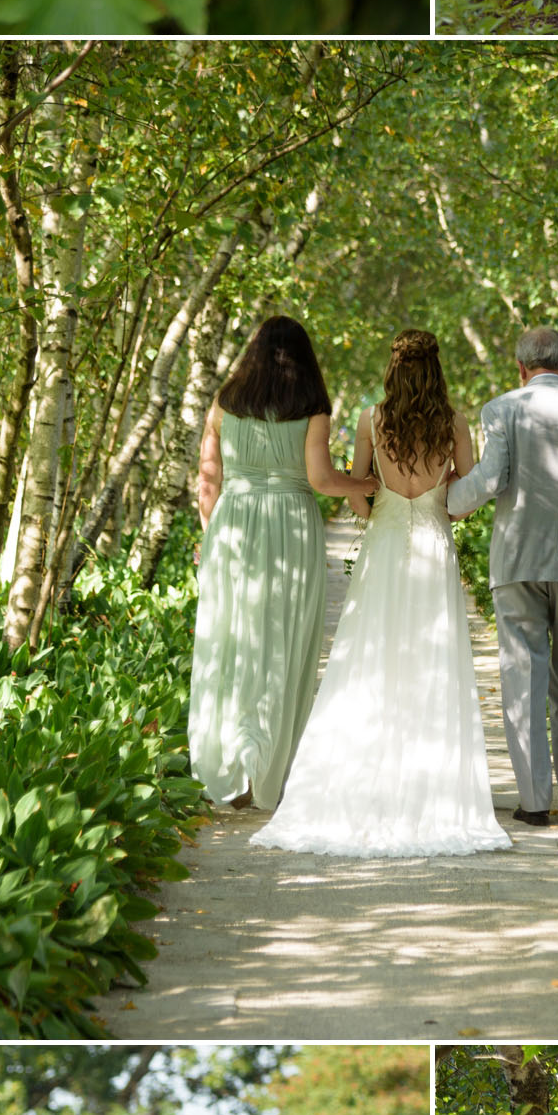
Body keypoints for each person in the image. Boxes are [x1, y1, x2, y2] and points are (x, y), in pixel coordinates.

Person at [253, 331, 509, 855]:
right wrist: (441, 511)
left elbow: (358, 493)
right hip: (435, 547)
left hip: (387, 545)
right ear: (436, 368)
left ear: (392, 367)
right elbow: (465, 491)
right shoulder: (455, 422)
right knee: (432, 664)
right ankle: (431, 786)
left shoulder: (372, 419)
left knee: (373, 659)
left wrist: (382, 512)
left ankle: (365, 775)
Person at [446, 322, 558, 825]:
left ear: (521, 369)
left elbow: (490, 478)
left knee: (522, 675)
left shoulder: (501, 409)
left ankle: (532, 802)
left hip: (519, 560)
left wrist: (440, 501)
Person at [188, 315, 361, 819]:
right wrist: (365, 485)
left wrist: (213, 535)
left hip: (233, 526)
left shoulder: (225, 404)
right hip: (290, 525)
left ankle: (230, 767)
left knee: (231, 639)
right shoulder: (312, 410)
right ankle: (267, 769)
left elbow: (207, 480)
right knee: (283, 641)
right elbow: (322, 480)